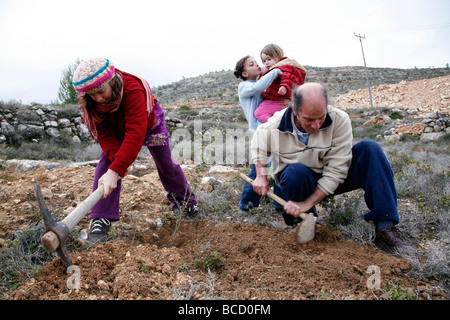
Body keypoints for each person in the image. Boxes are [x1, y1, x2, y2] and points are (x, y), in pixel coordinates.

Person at [250, 82, 416, 256]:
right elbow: (258, 146)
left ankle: (385, 227)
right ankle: (303, 222)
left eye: (320, 117)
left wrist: (308, 202)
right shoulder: (275, 125)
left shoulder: (339, 119)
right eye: (308, 119)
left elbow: (336, 170)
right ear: (295, 111)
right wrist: (261, 176)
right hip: (301, 178)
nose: (316, 126)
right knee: (294, 173)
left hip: (334, 174)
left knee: (370, 149)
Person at [72, 57, 200, 243]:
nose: (98, 98)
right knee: (106, 164)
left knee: (166, 164)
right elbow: (105, 134)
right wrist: (117, 163)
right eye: (92, 95)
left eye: (101, 91)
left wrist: (117, 170)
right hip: (117, 128)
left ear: (112, 81)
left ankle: (186, 204)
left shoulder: (133, 89)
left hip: (148, 124)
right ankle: (100, 218)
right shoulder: (91, 101)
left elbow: (135, 133)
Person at [234, 55, 284, 215]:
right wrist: (276, 70)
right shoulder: (245, 86)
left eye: (257, 63)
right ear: (244, 74)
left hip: (272, 132)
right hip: (259, 134)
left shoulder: (260, 85)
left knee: (280, 167)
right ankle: (246, 206)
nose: (257, 65)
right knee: (259, 171)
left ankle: (280, 205)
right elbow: (259, 87)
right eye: (252, 64)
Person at [253, 44, 306, 123]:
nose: (266, 63)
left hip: (275, 100)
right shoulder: (276, 69)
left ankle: (274, 125)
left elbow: (288, 77)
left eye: (269, 59)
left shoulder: (283, 68)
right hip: (278, 101)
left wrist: (284, 86)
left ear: (277, 57)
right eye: (264, 61)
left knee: (259, 113)